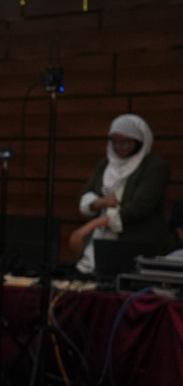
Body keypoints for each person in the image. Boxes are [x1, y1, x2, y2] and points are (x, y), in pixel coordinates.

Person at [70, 115, 172, 272]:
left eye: (125, 142)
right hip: (99, 242)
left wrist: (89, 227)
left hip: (135, 244)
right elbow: (85, 193)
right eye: (114, 141)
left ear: (140, 141)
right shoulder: (106, 163)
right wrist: (102, 202)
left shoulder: (154, 166)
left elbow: (137, 208)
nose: (118, 147)